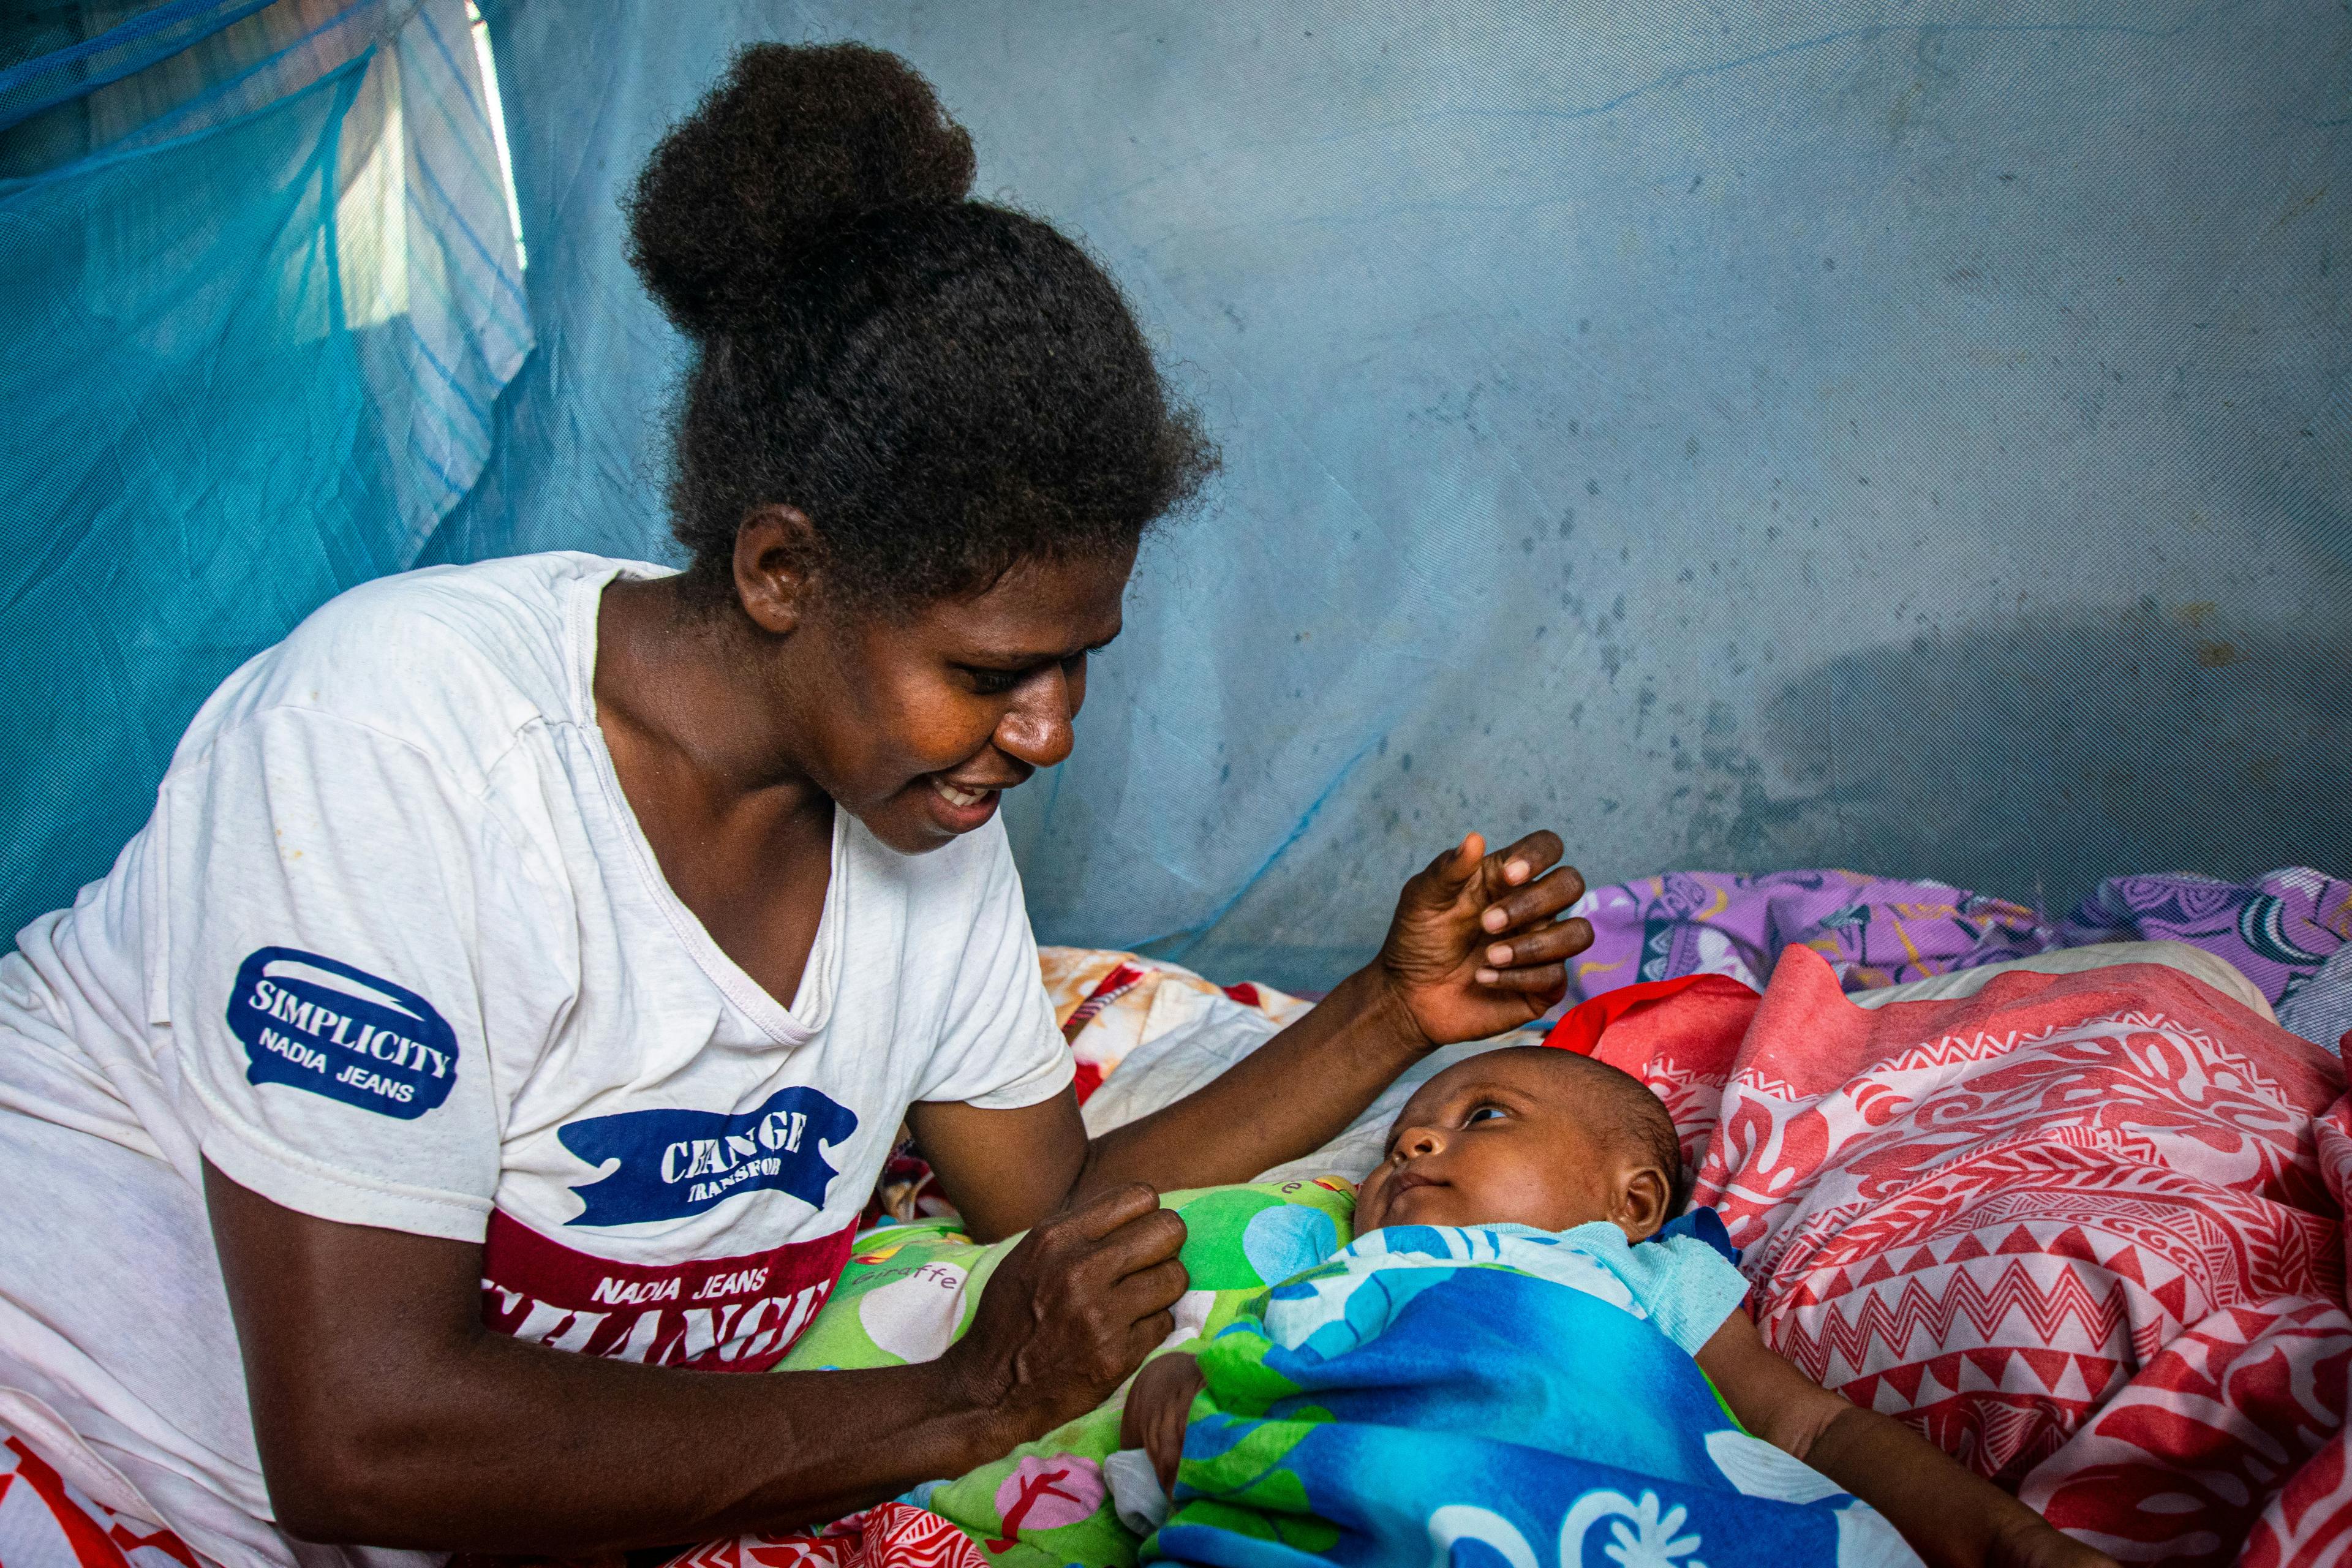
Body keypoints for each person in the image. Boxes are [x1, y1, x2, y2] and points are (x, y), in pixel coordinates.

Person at [0, 42, 1594, 1568]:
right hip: (73, 1446)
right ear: (782, 570)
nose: (1048, 732)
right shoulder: (402, 741)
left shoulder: (914, 812)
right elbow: (362, 1432)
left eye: (1080, 663)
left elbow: (1047, 1207)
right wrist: (955, 1404)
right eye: (992, 670)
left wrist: (1393, 1011)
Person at [1117, 1049, 2120, 1568]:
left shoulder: (1644, 1276)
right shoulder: (1345, 1273)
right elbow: (1250, 1361)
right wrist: (1174, 1377)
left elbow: (1806, 1423)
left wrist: (2002, 1542)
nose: (1413, 1148)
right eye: (1399, 1144)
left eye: (1483, 1118)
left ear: (1630, 1202)